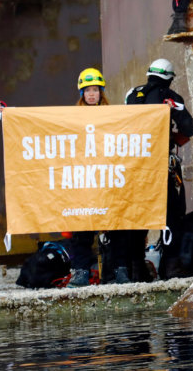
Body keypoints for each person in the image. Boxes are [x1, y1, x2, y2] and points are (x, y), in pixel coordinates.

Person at [124, 59, 193, 278]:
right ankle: (170, 267)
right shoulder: (171, 98)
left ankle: (136, 268)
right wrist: (174, 139)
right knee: (172, 213)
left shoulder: (131, 94)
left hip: (135, 165)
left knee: (138, 214)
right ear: (170, 78)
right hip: (163, 164)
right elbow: (188, 128)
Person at [66, 67, 111, 287]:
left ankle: (114, 272)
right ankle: (81, 272)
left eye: (95, 90)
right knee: (81, 228)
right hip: (83, 180)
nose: (91, 94)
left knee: (114, 227)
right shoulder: (73, 117)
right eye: (87, 90)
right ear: (81, 93)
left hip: (106, 179)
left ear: (101, 92)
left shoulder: (114, 115)